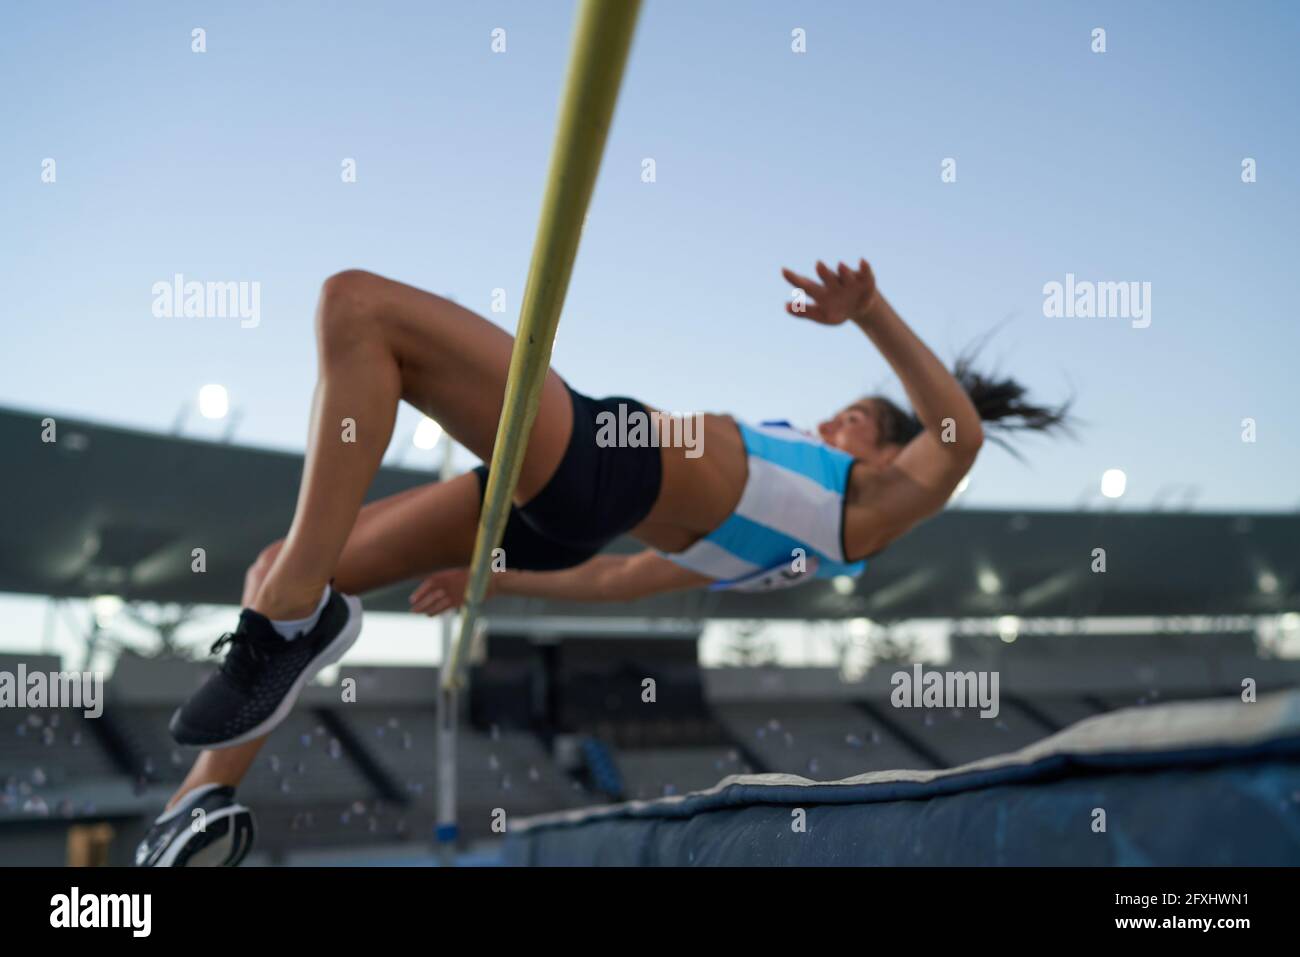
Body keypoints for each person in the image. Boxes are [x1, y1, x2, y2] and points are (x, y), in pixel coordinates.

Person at [135, 259, 1071, 865]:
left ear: (884, 451)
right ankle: (201, 802)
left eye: (854, 422)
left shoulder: (864, 509)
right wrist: (495, 579)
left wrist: (871, 312)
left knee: (358, 306)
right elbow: (625, 578)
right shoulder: (778, 539)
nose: (832, 423)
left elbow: (959, 433)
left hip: (600, 460)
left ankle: (294, 617)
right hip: (574, 509)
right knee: (279, 558)